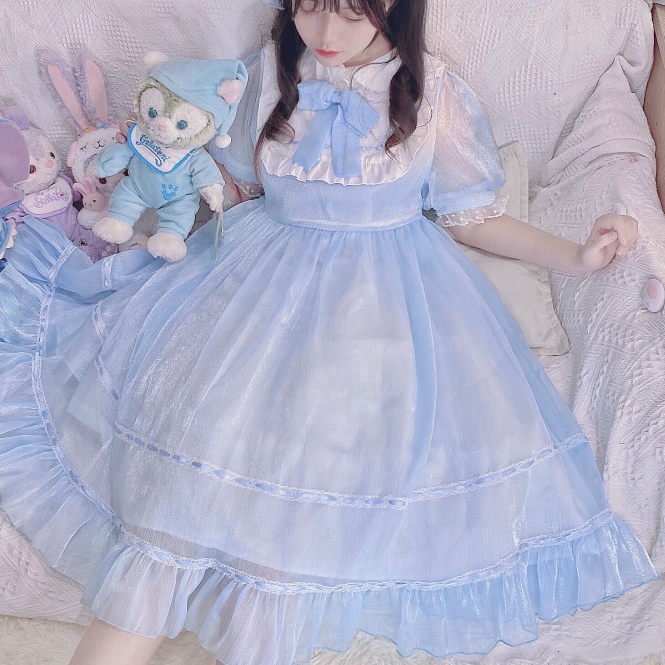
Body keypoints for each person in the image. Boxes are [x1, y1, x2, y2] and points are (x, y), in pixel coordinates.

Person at [0, 1, 658, 664]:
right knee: (176, 504)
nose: (325, 34)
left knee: (292, 526)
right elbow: (236, 187)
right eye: (310, 8)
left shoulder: (433, 93)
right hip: (259, 285)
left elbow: (475, 217)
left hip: (383, 310)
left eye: (349, 13)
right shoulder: (266, 73)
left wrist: (576, 257)